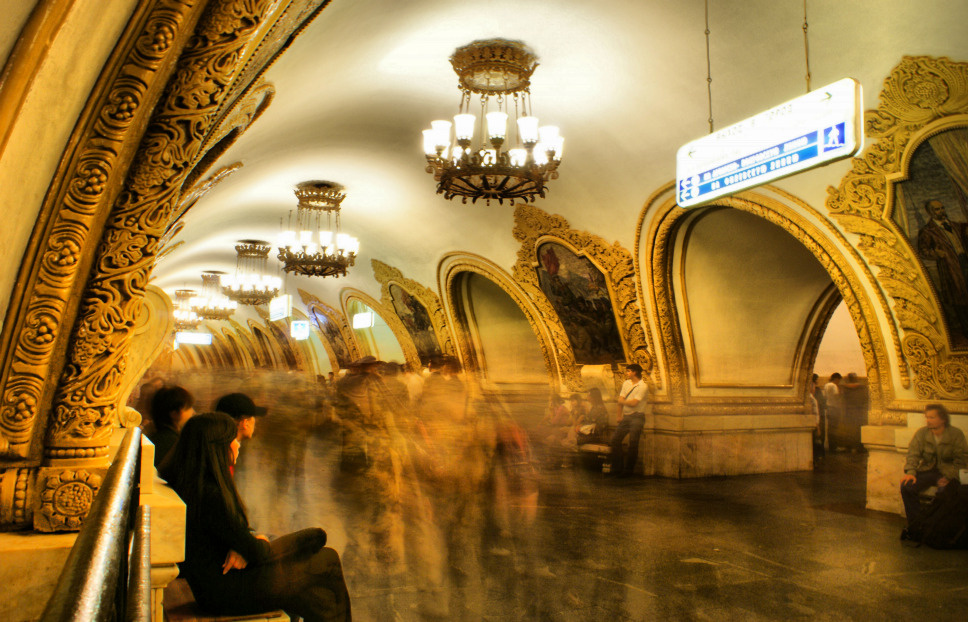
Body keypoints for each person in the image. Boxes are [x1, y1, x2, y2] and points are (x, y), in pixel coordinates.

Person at [163, 412, 351, 621]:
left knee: (315, 594)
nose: (238, 445)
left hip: (214, 587)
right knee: (327, 559)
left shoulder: (191, 483)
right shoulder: (210, 494)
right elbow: (257, 552)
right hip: (225, 592)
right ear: (218, 447)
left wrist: (242, 545)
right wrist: (256, 541)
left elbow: (232, 534)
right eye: (233, 439)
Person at [900, 404, 968, 527]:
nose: (928, 420)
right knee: (907, 487)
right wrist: (910, 472)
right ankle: (916, 524)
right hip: (928, 470)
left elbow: (961, 460)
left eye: (932, 417)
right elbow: (913, 454)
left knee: (945, 493)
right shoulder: (922, 433)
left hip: (948, 472)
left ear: (943, 419)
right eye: (927, 417)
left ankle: (938, 526)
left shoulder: (956, 434)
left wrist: (949, 477)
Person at [917, 199, 968, 335]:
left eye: (942, 208)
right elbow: (922, 251)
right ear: (930, 212)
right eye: (937, 209)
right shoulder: (927, 231)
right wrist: (936, 253)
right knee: (959, 299)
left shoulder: (956, 226)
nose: (941, 211)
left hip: (965, 262)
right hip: (950, 268)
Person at [608, 363, 648, 477]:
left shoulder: (643, 386)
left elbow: (634, 403)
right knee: (615, 440)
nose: (627, 373)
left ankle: (628, 470)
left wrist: (623, 401)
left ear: (635, 372)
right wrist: (619, 415)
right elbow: (620, 400)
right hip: (626, 417)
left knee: (633, 444)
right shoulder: (626, 383)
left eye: (629, 371)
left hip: (637, 417)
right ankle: (617, 467)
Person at [145, 385, 195, 468]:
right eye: (188, 408)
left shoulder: (157, 436)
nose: (193, 412)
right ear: (174, 413)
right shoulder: (172, 443)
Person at [823, 373, 843, 450]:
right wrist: (841, 392)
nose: (839, 382)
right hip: (834, 408)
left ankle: (831, 446)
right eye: (839, 380)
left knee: (830, 428)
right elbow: (837, 395)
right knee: (835, 428)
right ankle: (834, 446)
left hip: (829, 407)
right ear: (836, 379)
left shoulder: (826, 385)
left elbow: (825, 396)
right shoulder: (834, 386)